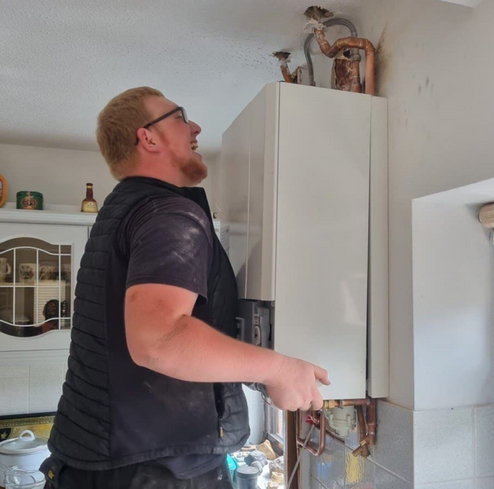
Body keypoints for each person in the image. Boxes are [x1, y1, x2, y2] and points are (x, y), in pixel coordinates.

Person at [41, 87, 330, 489]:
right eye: (180, 117)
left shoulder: (125, 208)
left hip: (104, 462)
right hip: (151, 472)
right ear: (149, 137)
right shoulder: (169, 213)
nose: (195, 127)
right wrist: (279, 369)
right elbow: (159, 340)